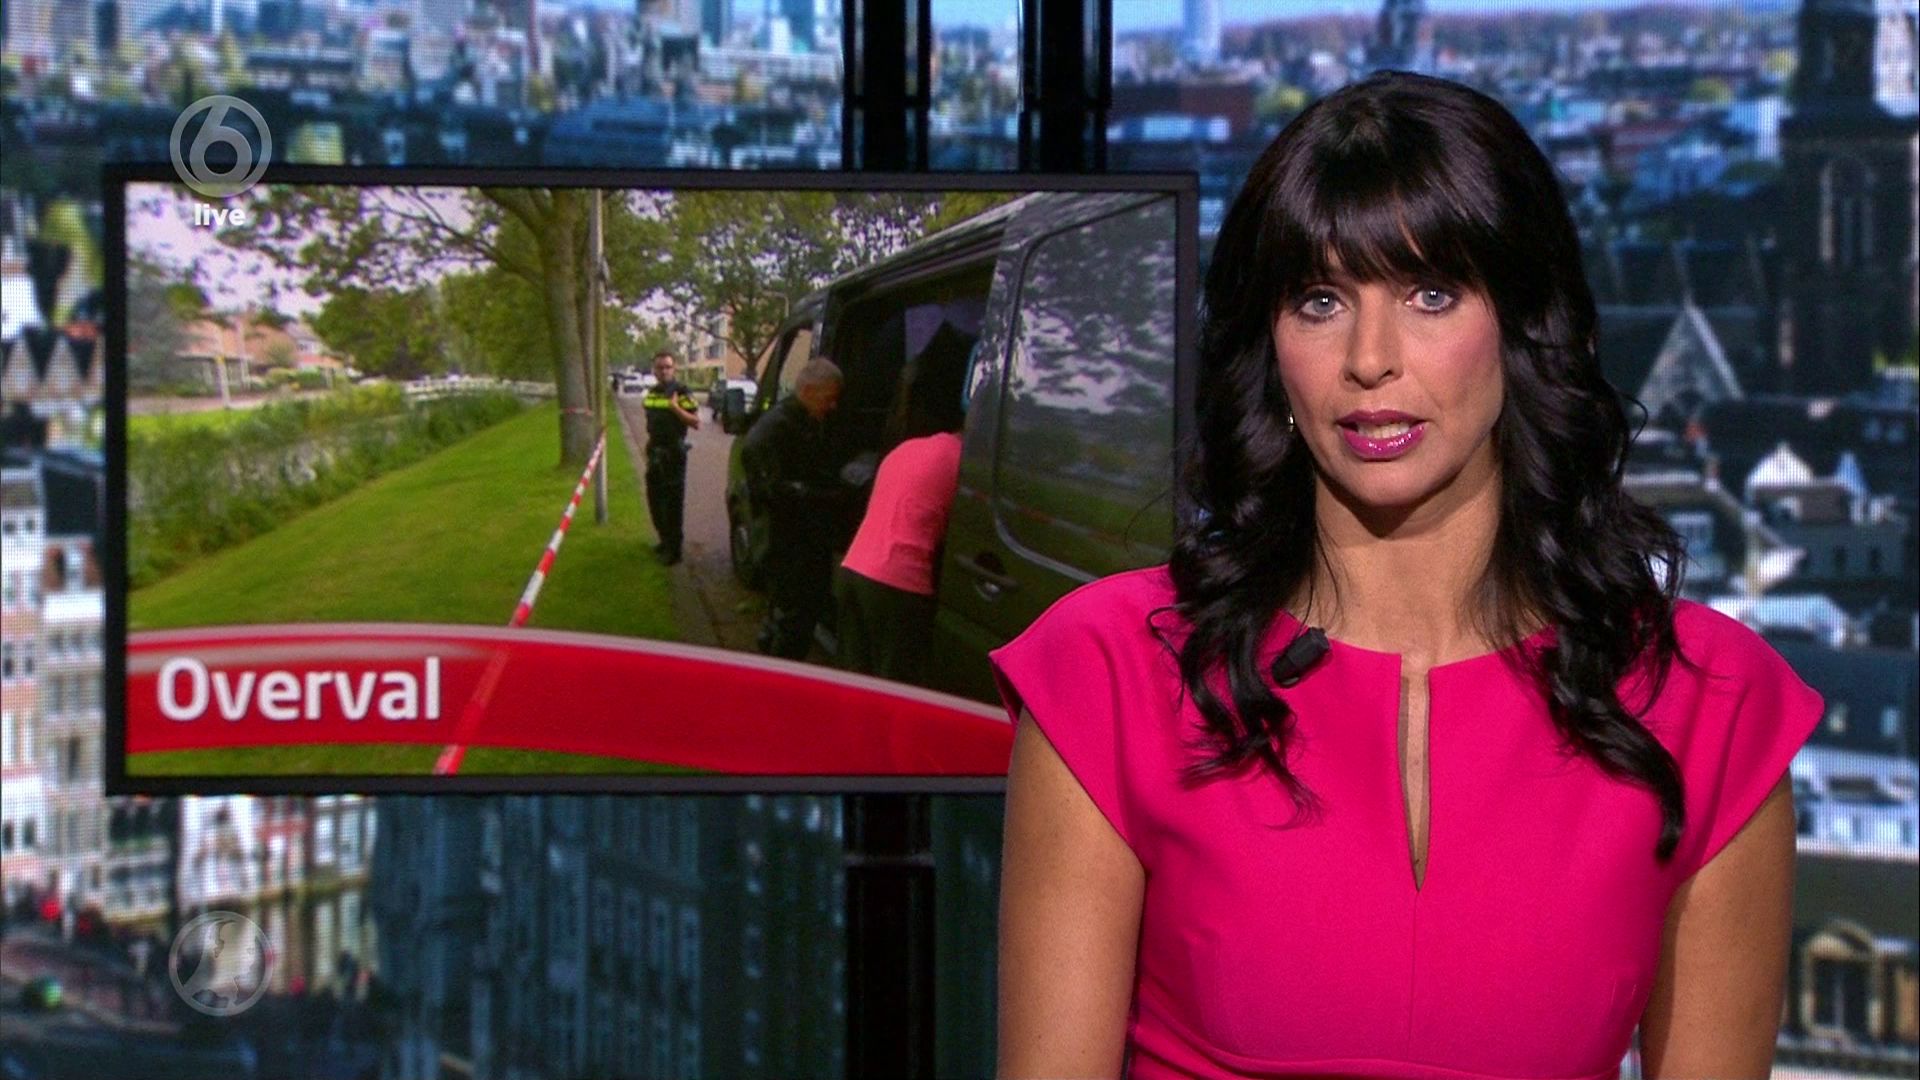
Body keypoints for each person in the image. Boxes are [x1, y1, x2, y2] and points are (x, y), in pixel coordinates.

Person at [991, 72, 1824, 1080]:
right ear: (1270, 346)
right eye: (1320, 301)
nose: (1370, 359)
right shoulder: (1113, 673)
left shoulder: (1708, 703)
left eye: (1431, 294)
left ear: (1523, 325)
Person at [832, 325, 971, 683]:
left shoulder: (906, 449)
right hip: (897, 586)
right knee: (894, 686)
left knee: (854, 679)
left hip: (853, 570)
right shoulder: (962, 462)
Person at [741, 357, 846, 659]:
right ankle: (782, 672)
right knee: (794, 621)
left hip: (796, 540)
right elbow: (769, 486)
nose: (833, 407)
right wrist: (819, 496)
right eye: (829, 398)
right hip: (787, 544)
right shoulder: (777, 427)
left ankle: (771, 654)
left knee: (785, 614)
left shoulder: (802, 420)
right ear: (809, 391)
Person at [640, 350, 701, 565]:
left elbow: (695, 422)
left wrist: (675, 407)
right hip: (655, 452)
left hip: (673, 453)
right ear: (654, 370)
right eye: (660, 367)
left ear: (674, 369)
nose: (664, 371)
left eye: (668, 367)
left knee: (673, 504)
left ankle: (675, 551)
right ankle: (664, 540)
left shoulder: (682, 392)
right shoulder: (652, 393)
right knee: (655, 501)